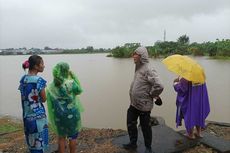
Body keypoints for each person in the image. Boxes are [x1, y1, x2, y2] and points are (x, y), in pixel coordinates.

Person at [123, 47, 164, 153]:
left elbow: (159, 85)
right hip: (134, 104)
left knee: (145, 127)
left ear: (142, 56)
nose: (133, 56)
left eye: (135, 54)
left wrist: (152, 94)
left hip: (144, 105)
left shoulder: (148, 69)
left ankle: (148, 148)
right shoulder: (138, 67)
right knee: (130, 123)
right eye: (133, 54)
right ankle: (133, 144)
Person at [46, 62, 84, 153]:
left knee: (61, 137)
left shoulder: (51, 86)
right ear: (67, 71)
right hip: (72, 114)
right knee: (72, 136)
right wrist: (73, 76)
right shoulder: (70, 83)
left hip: (59, 115)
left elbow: (50, 100)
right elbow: (79, 91)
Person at [18, 55, 48, 153]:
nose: (44, 66)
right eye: (42, 63)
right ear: (36, 66)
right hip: (38, 117)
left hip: (27, 115)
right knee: (40, 141)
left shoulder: (23, 79)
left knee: (32, 142)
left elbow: (23, 97)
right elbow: (44, 99)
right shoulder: (39, 81)